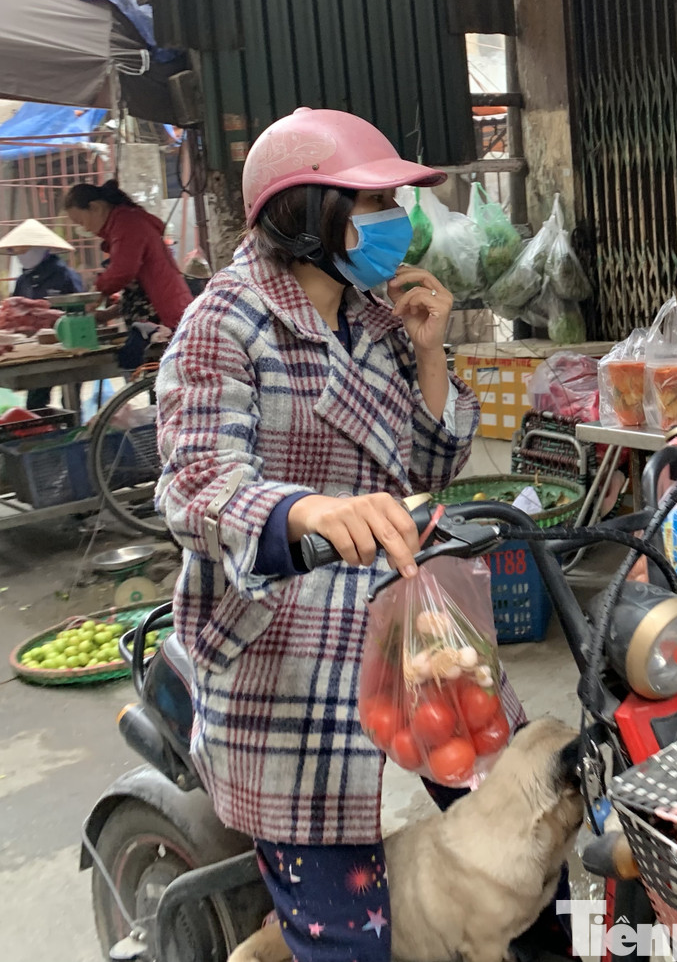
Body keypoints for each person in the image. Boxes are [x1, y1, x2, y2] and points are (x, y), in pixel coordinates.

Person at [153, 107, 554, 962]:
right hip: (285, 642)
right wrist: (309, 511)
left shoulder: (375, 316)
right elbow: (195, 484)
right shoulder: (224, 321)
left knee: (524, 821)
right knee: (346, 929)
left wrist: (432, 350)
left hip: (407, 621)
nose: (394, 221)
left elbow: (430, 464)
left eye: (391, 203)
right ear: (306, 216)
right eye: (371, 203)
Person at [63, 180, 193, 369]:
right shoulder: (123, 225)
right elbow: (138, 289)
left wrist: (97, 293)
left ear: (95, 208)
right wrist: (107, 313)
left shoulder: (127, 224)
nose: (86, 229)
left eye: (81, 222)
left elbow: (122, 272)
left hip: (165, 316)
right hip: (162, 313)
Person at [0, 218, 84, 409]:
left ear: (40, 248)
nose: (20, 255)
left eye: (24, 249)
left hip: (69, 347)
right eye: (16, 250)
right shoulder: (23, 280)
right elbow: (15, 314)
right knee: (36, 402)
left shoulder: (65, 275)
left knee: (70, 400)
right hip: (36, 350)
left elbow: (81, 309)